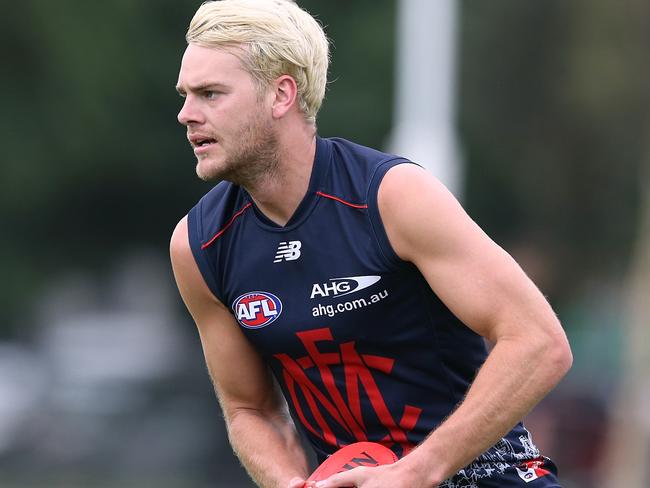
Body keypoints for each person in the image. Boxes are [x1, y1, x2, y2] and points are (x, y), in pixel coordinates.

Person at [169, 1, 573, 487]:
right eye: (186, 95)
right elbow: (249, 409)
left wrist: (416, 472)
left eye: (210, 94)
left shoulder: (392, 197)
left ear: (281, 95)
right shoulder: (199, 245)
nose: (186, 114)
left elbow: (539, 343)